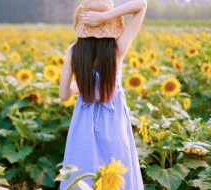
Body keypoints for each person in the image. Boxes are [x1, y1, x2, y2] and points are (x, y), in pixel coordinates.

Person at [59, 0, 147, 189]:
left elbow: (64, 94)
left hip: (83, 122)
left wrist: (84, 85)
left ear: (82, 24)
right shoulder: (117, 49)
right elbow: (142, 5)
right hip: (113, 121)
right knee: (116, 177)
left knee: (81, 175)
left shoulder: (73, 52)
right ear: (110, 25)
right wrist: (106, 16)